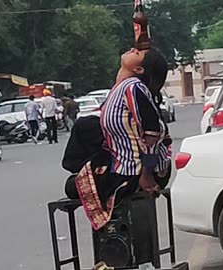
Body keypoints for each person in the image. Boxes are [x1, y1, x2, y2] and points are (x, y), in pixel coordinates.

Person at [63, 46, 172, 234]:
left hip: (137, 172)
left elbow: (152, 131)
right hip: (128, 166)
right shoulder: (124, 87)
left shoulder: (133, 87)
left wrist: (146, 174)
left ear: (139, 69)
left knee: (72, 186)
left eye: (137, 53)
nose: (131, 49)